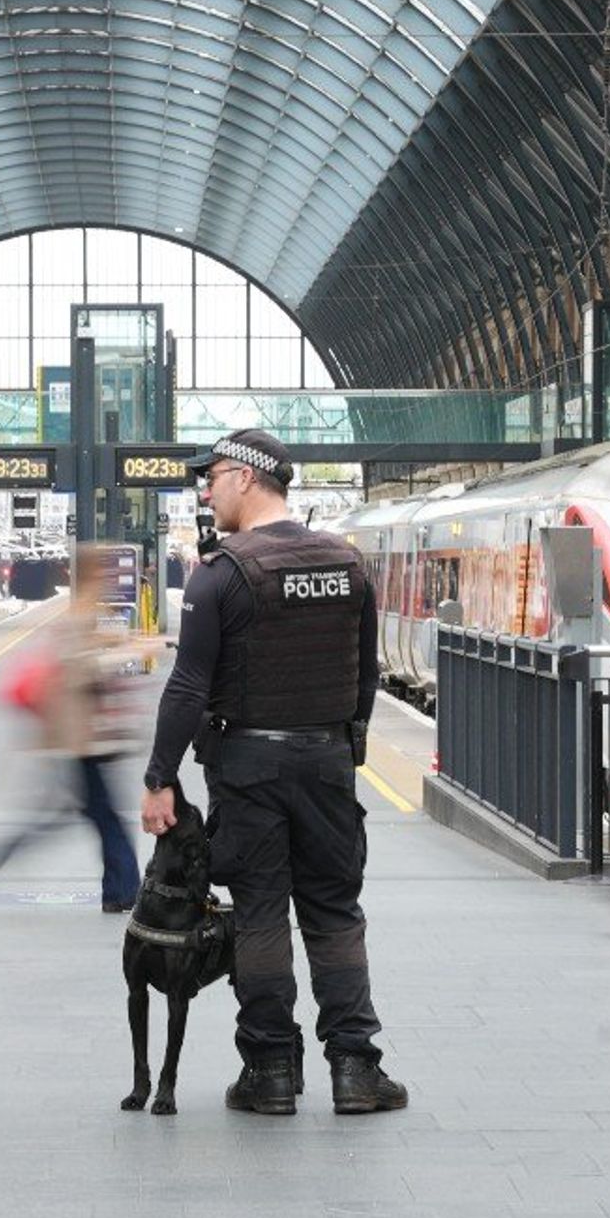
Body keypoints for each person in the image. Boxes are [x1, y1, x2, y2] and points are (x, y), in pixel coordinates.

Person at [138, 429, 403, 1117]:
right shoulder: (347, 565)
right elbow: (365, 676)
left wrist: (159, 776)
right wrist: (348, 751)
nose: (205, 490)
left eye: (213, 476)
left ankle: (270, 1072)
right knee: (335, 912)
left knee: (260, 915)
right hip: (326, 763)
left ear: (249, 479)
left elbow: (189, 685)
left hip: (249, 766)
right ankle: (355, 1069)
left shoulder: (222, 573)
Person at [0, 544, 144, 911]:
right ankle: (124, 891)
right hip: (80, 741)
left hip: (78, 740)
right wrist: (124, 655)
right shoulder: (79, 618)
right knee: (102, 817)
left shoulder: (87, 615)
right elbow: (82, 671)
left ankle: (121, 890)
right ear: (92, 575)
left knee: (82, 817)